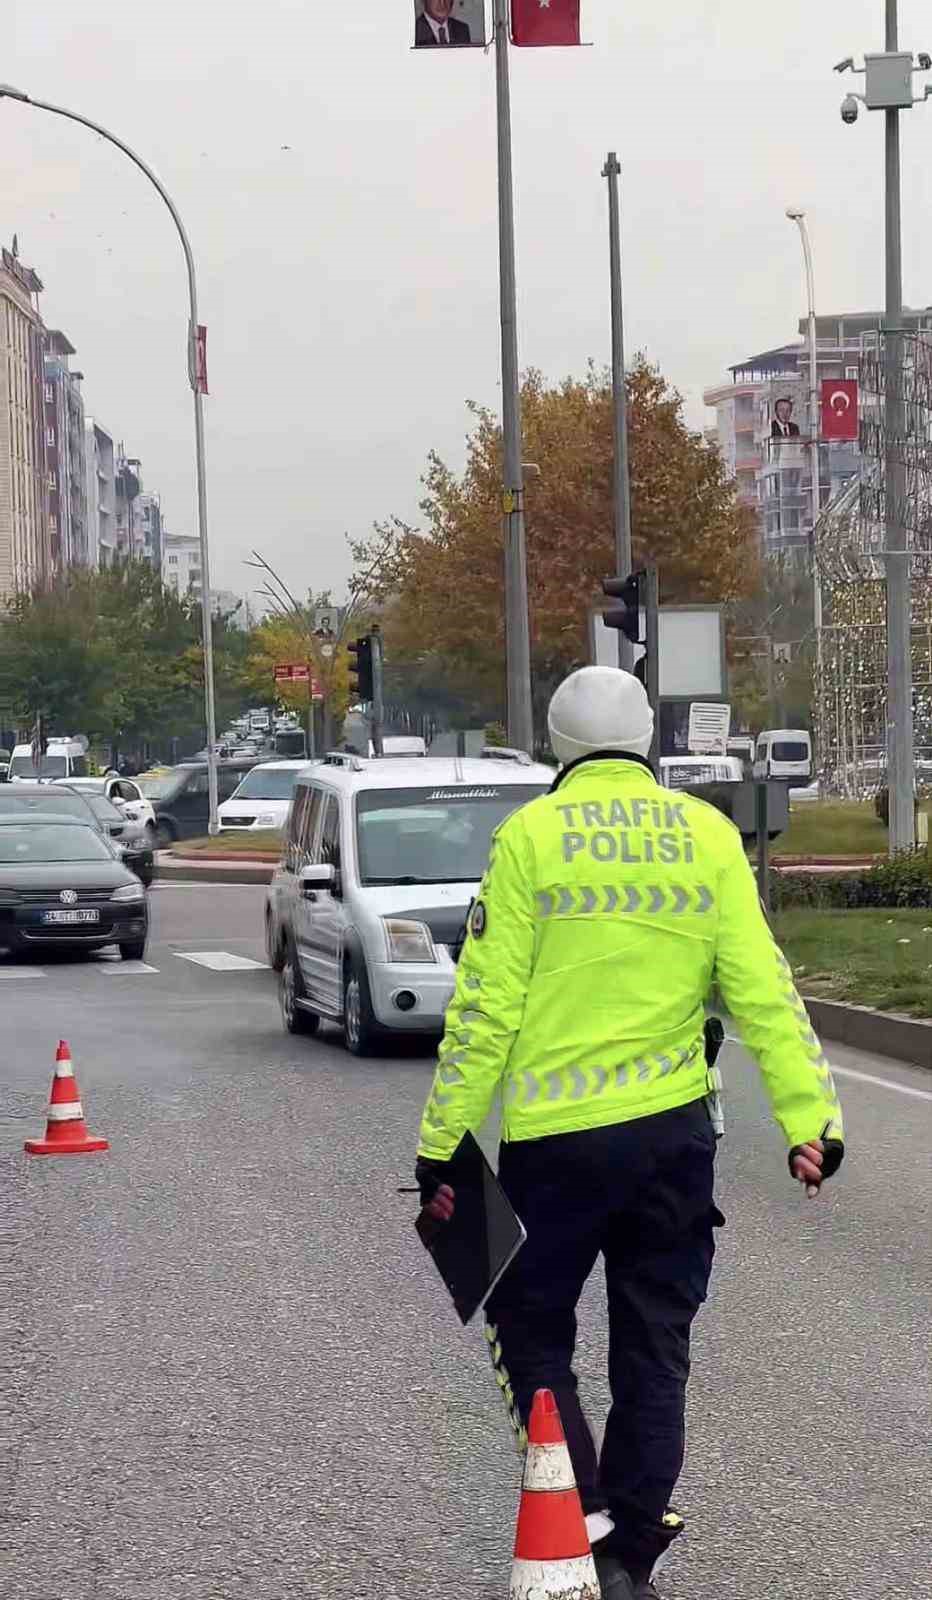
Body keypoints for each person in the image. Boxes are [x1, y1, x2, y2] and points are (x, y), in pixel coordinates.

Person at [414, 666, 844, 1600]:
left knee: (530, 1330)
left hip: (555, 1149)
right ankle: (633, 1548)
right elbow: (764, 991)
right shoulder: (708, 835)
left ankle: (582, 1509)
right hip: (673, 1144)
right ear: (647, 738)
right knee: (655, 1343)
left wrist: (442, 1140)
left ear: (557, 748)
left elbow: (484, 1010)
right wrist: (812, 1123)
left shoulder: (528, 839)